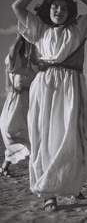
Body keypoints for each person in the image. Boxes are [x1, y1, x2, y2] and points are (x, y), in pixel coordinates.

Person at [12, 0, 87, 211]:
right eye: (55, 6)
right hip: (45, 85)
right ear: (47, 9)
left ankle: (71, 184)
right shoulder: (38, 29)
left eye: (64, 7)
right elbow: (17, 7)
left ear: (70, 11)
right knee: (44, 137)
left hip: (72, 84)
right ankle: (48, 193)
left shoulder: (79, 27)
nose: (59, 10)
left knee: (71, 137)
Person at [0, 33, 38, 177]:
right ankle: (6, 166)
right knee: (11, 131)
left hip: (29, 101)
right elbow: (12, 51)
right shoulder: (14, 59)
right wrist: (20, 36)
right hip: (16, 100)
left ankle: (5, 167)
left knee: (29, 134)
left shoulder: (31, 63)